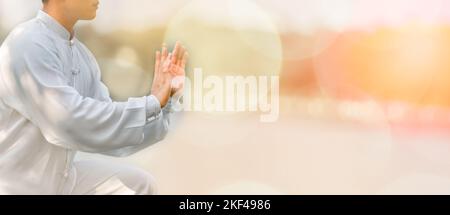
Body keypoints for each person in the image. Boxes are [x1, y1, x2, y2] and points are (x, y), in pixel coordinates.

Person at [0, 0, 187, 194]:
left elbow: (107, 130)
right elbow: (68, 123)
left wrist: (163, 103)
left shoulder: (82, 56)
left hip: (62, 182)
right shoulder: (28, 43)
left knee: (139, 184)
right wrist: (151, 104)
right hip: (17, 187)